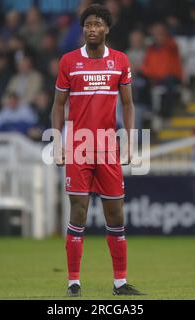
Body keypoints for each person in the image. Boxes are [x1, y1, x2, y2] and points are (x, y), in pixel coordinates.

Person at [51, 4, 144, 297]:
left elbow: (128, 104)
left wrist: (129, 140)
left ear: (106, 29)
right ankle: (73, 282)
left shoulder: (120, 60)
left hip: (107, 146)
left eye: (97, 24)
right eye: (87, 24)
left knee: (115, 214)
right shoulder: (68, 61)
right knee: (78, 211)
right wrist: (57, 141)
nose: (92, 29)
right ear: (83, 29)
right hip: (78, 146)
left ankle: (119, 284)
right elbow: (58, 104)